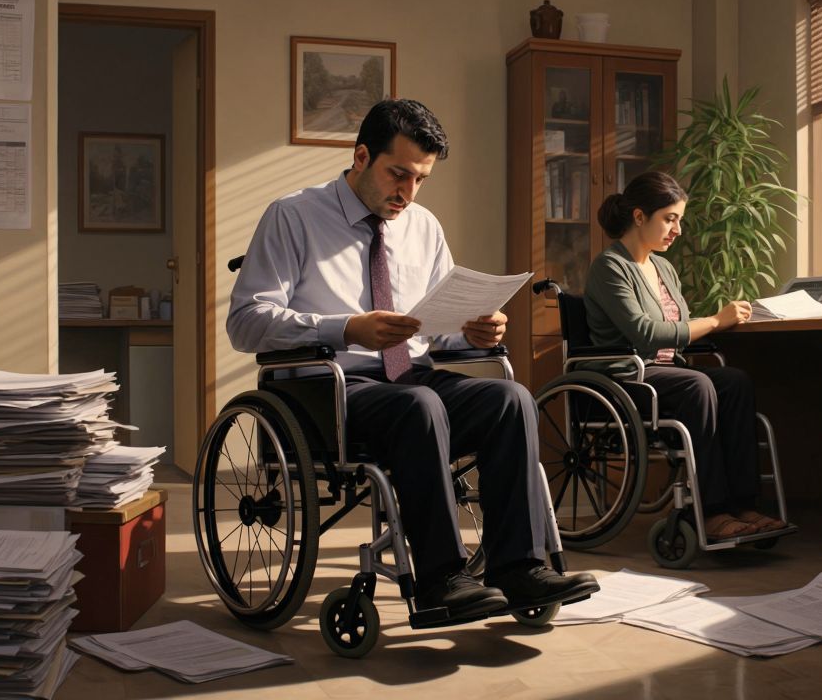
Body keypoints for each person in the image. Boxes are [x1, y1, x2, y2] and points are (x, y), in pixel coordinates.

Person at [228, 98, 597, 620]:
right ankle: (441, 578)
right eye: (398, 174)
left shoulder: (423, 226)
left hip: (412, 379)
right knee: (420, 405)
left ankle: (518, 568)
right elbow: (245, 321)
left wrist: (475, 333)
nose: (408, 192)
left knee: (511, 399)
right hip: (330, 390)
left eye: (421, 178)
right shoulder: (293, 217)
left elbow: (432, 330)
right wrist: (348, 327)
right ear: (361, 156)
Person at [583, 171, 784, 542]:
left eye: (679, 221)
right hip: (628, 376)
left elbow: (678, 330)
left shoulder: (663, 267)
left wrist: (723, 322)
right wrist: (714, 320)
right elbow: (644, 332)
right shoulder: (610, 267)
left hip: (665, 372)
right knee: (698, 385)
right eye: (670, 219)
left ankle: (743, 504)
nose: (677, 230)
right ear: (640, 216)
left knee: (734, 381)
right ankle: (710, 512)